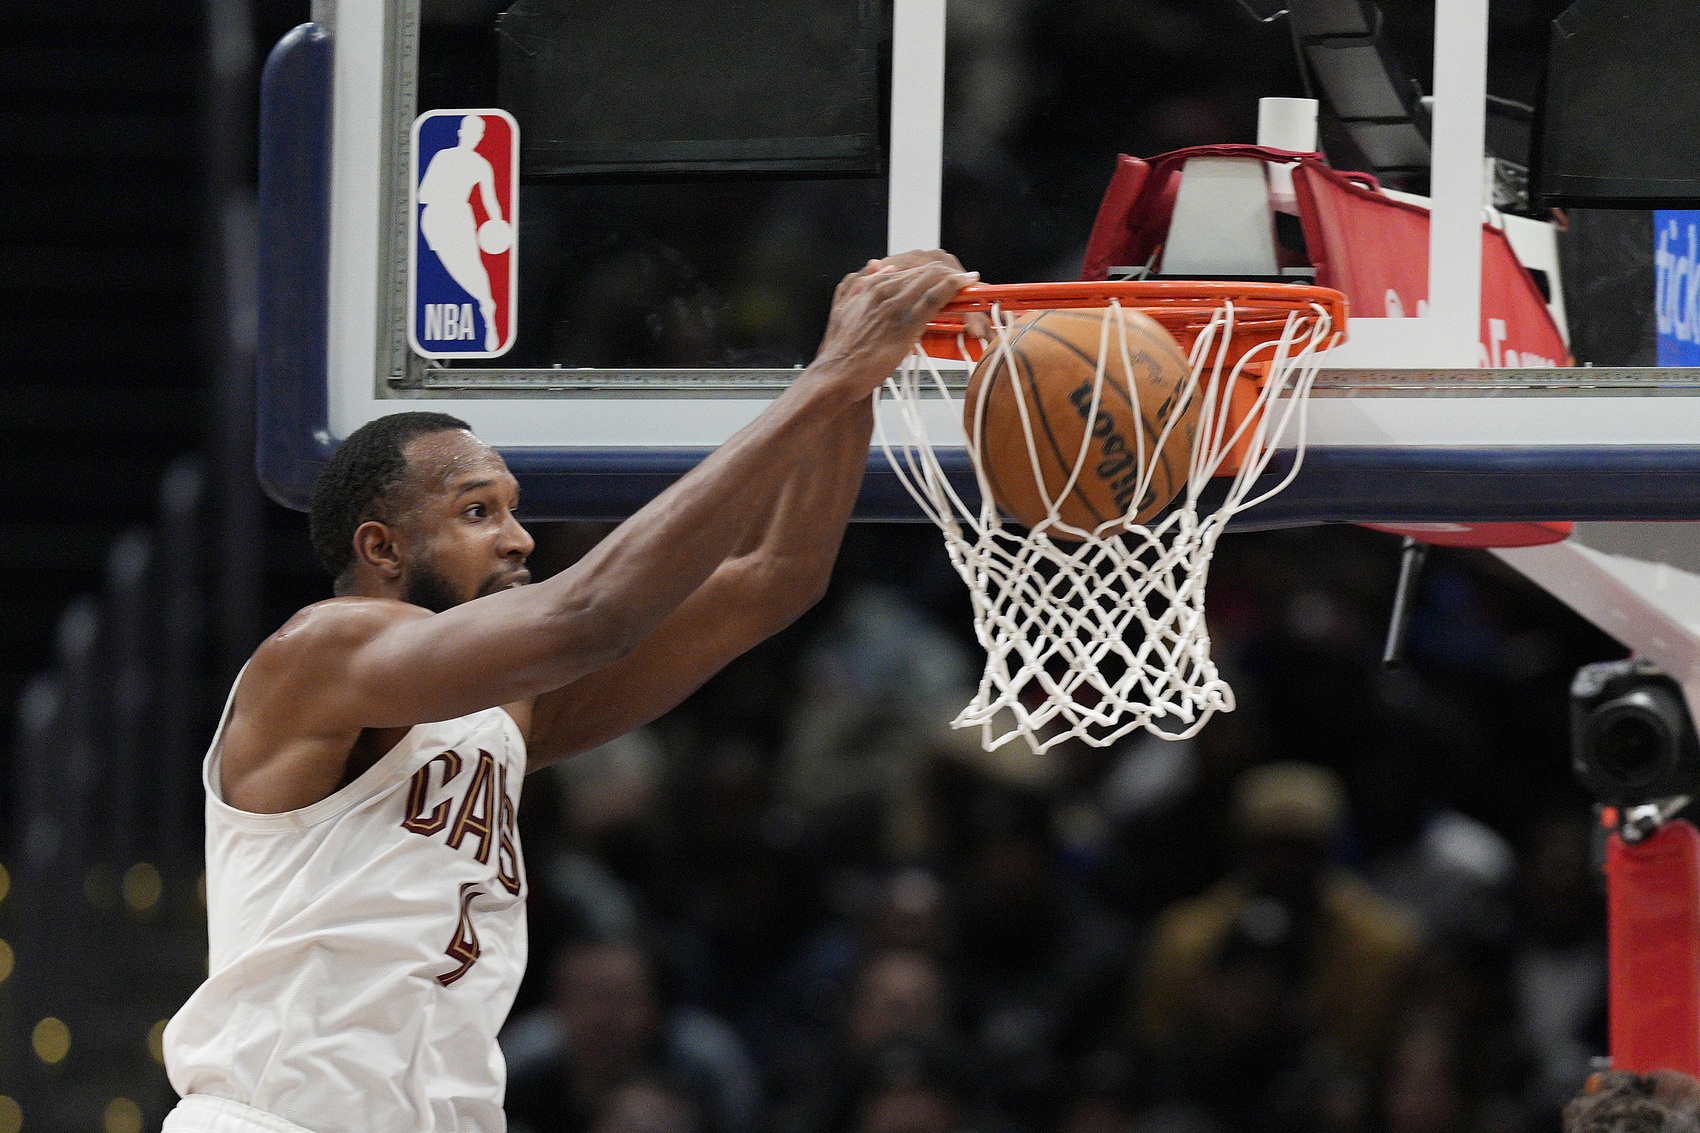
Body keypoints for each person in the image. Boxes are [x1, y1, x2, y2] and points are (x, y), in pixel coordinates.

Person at [158, 251, 980, 1133]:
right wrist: (826, 379)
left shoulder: (503, 713)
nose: (518, 538)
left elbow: (776, 576)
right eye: (478, 511)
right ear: (382, 548)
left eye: (514, 509)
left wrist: (863, 375)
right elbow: (592, 615)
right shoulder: (319, 654)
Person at [418, 114, 508, 350]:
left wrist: (498, 224)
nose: (474, 137)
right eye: (470, 132)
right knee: (445, 270)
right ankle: (483, 305)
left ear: (481, 137)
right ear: (460, 132)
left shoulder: (481, 165)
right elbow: (422, 194)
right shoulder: (443, 157)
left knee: (472, 267)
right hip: (435, 219)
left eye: (478, 134)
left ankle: (488, 314)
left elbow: (490, 200)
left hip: (459, 218)